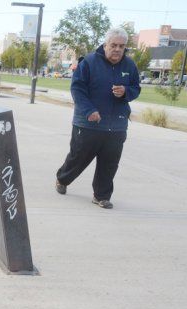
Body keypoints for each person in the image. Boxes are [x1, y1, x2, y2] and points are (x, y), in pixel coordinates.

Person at [55, 27, 141, 209]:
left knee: (109, 164)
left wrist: (126, 92)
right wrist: (89, 111)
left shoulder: (129, 65)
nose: (117, 49)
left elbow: (136, 88)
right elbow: (77, 89)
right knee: (78, 158)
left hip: (117, 125)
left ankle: (101, 196)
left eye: (122, 46)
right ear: (105, 44)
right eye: (114, 45)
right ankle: (62, 179)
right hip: (88, 123)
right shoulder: (89, 62)